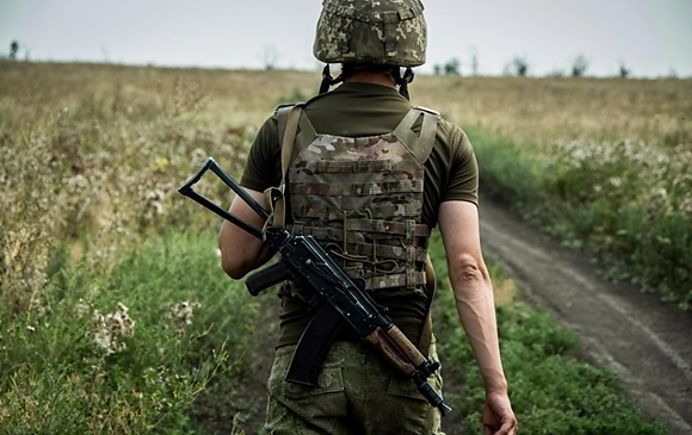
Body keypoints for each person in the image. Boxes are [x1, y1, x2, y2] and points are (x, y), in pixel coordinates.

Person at [218, 0, 517, 433]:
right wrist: (496, 388)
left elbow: (235, 257)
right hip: (402, 362)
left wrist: (283, 216)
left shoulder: (283, 131)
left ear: (331, 41)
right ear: (410, 49)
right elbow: (468, 268)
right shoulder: (444, 139)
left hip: (305, 370)